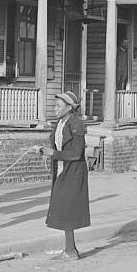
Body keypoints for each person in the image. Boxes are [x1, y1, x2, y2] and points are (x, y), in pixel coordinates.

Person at [40, 91, 91, 260]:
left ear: (69, 108)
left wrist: (53, 153)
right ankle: (71, 249)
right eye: (55, 105)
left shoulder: (76, 124)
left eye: (58, 106)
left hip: (74, 171)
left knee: (67, 208)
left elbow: (76, 154)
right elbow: (56, 144)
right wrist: (43, 151)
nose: (55, 109)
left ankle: (71, 251)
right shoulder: (60, 122)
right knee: (63, 208)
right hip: (62, 169)